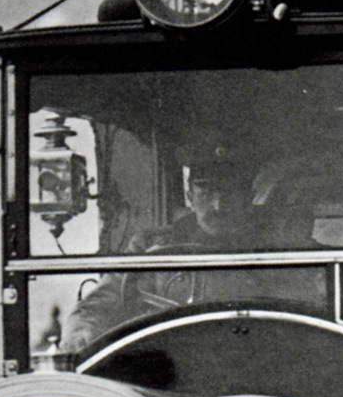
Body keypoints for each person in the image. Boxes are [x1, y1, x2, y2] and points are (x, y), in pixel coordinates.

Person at [60, 142, 259, 354]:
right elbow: (103, 300)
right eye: (206, 192)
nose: (218, 205)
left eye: (230, 193)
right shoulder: (150, 245)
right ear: (190, 196)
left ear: (249, 198)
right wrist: (79, 334)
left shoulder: (276, 246)